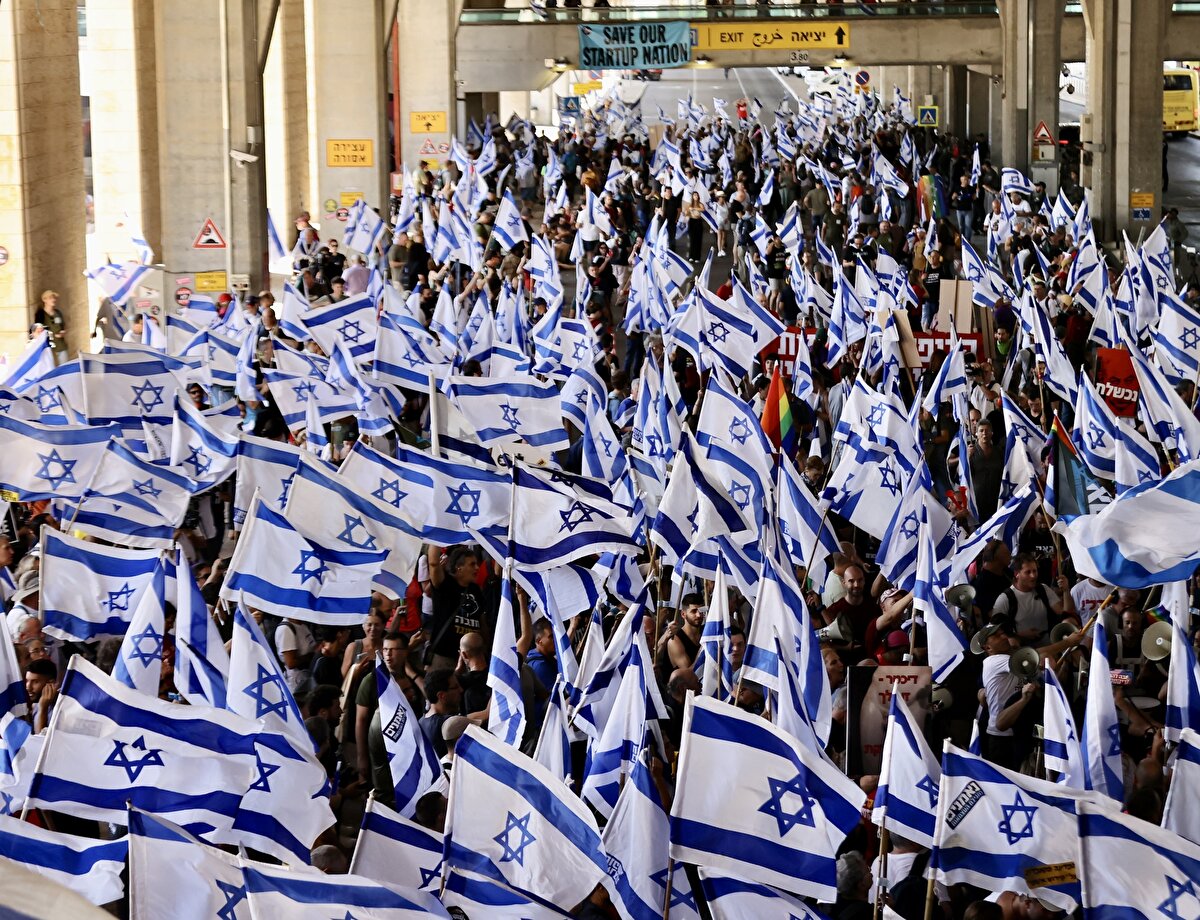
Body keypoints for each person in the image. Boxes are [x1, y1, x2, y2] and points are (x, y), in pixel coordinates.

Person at [425, 545, 487, 671]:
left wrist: (485, 647)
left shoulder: (476, 590)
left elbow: (482, 621)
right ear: (459, 568)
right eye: (472, 564)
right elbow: (433, 563)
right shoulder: (444, 585)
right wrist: (434, 530)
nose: (477, 568)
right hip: (444, 657)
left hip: (472, 659)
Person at [32, 291, 68, 364]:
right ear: (44, 300)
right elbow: (37, 331)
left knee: (64, 368)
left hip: (61, 346)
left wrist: (63, 332)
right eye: (51, 298)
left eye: (54, 298)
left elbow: (64, 326)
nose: (53, 300)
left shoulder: (58, 313)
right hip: (48, 348)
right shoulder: (40, 315)